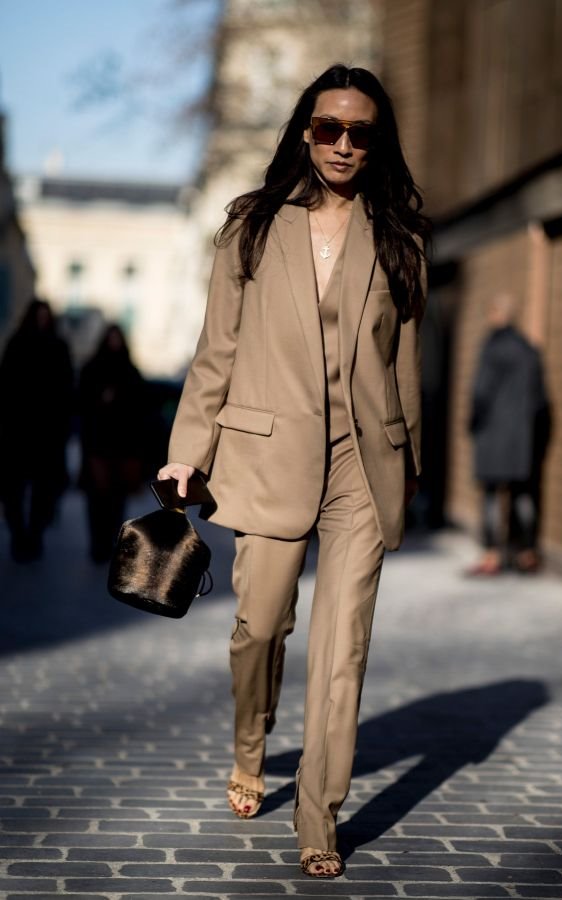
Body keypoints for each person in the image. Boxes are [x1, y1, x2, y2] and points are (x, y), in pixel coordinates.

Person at [158, 64, 429, 877]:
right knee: (262, 627)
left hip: (361, 461)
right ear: (304, 132)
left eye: (360, 133)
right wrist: (187, 448)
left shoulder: (398, 236)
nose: (343, 145)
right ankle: (251, 745)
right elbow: (218, 353)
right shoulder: (252, 225)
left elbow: (404, 361)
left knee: (343, 647)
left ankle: (320, 816)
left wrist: (409, 459)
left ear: (376, 143)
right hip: (269, 453)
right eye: (328, 129)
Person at [467, 292, 551, 575]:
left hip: (493, 433)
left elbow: (481, 392)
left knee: (491, 494)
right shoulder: (529, 350)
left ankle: (492, 555)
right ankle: (527, 552)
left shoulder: (491, 347)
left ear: (495, 314)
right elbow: (540, 401)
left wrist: (473, 423)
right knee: (523, 493)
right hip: (522, 436)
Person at [0, 298, 73, 561]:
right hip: (18, 433)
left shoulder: (58, 347)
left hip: (48, 436)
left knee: (44, 492)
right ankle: (19, 536)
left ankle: (34, 536)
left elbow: (66, 392)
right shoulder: (17, 344)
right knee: (13, 491)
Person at [78, 324, 148, 562]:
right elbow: (82, 408)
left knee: (116, 501)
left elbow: (141, 412)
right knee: (97, 499)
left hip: (123, 448)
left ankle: (110, 542)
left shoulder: (130, 372)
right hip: (98, 447)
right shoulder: (92, 370)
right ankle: (97, 544)